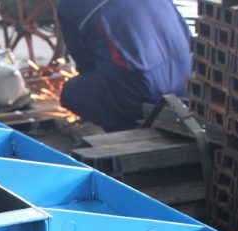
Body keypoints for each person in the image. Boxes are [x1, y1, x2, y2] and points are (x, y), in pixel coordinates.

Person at [57, 0, 191, 132]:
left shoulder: (70, 5)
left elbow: (85, 64)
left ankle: (123, 132)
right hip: (188, 82)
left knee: (71, 93)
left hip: (143, 94)